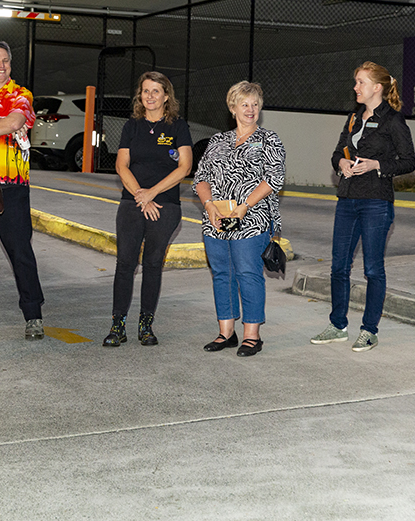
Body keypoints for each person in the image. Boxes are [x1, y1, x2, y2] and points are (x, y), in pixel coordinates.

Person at [312, 62, 415, 352]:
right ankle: (337, 325)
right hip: (347, 199)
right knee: (338, 267)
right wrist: (341, 163)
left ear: (377, 87)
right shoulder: (353, 117)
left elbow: (409, 162)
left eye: (360, 82)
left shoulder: (393, 120)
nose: (355, 87)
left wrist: (377, 165)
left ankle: (369, 330)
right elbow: (337, 153)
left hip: (376, 201)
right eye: (356, 82)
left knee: (373, 269)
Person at [193, 81, 285, 357]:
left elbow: (274, 179)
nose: (250, 109)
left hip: (251, 218)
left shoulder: (269, 140)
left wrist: (245, 205)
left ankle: (252, 336)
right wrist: (208, 205)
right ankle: (226, 333)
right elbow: (200, 178)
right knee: (222, 274)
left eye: (255, 104)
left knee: (248, 273)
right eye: (244, 104)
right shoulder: (217, 141)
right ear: (232, 108)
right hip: (218, 219)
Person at [104, 72, 193, 348]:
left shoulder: (178, 126)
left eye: (156, 91)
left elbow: (185, 167)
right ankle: (117, 326)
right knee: (125, 264)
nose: (150, 96)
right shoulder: (132, 126)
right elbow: (121, 166)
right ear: (140, 96)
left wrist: (152, 194)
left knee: (153, 263)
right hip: (133, 202)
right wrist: (141, 197)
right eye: (145, 91)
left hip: (165, 206)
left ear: (167, 96)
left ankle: (146, 325)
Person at [0, 41, 45, 341]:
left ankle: (33, 316)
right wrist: (1, 125)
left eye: (6, 61)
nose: (1, 65)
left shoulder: (21, 94)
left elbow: (16, 121)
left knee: (21, 253)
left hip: (11, 185)